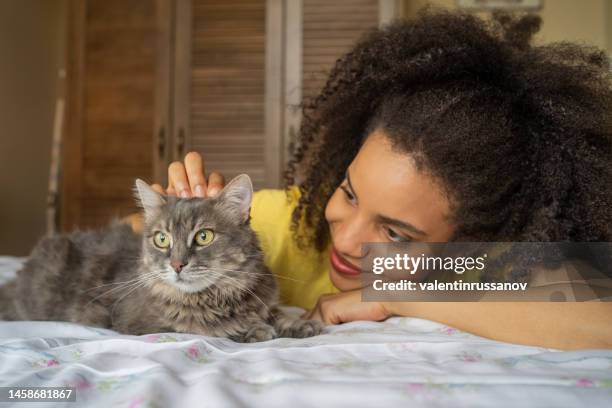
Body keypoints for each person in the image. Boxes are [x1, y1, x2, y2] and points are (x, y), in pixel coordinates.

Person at [125, 10, 612, 349]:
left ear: (469, 244)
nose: (349, 236)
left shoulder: (476, 268)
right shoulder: (290, 223)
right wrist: (178, 210)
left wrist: (395, 296)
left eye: (396, 233)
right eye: (350, 192)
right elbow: (132, 232)